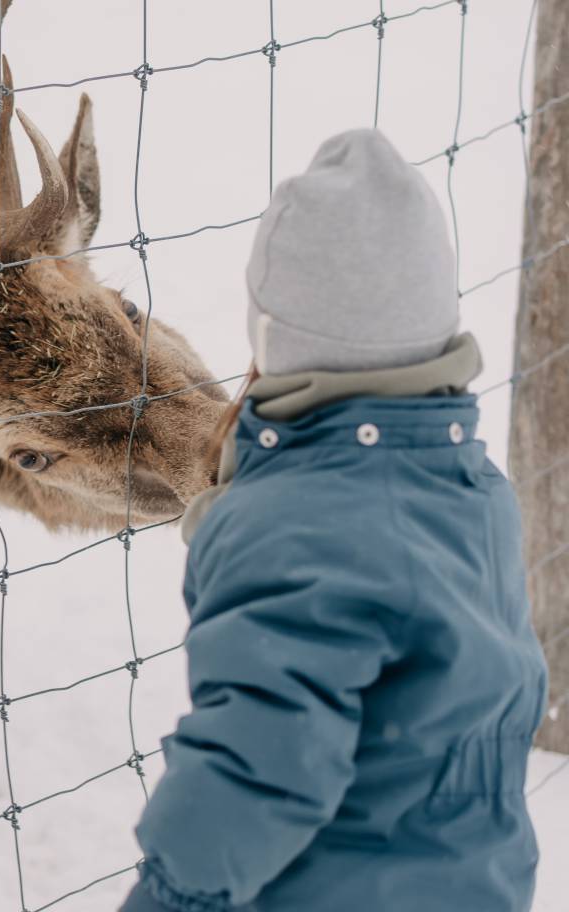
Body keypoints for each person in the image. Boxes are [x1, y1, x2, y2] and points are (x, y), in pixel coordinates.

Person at [120, 129, 548, 912]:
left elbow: (255, 769)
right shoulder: (473, 487)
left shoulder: (292, 531)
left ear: (275, 338)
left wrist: (169, 898)